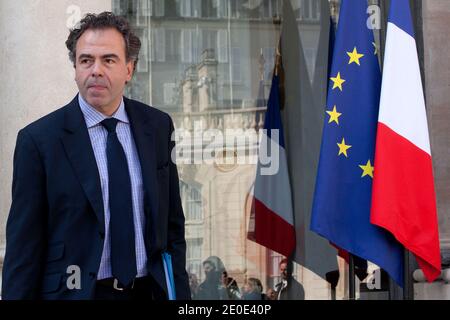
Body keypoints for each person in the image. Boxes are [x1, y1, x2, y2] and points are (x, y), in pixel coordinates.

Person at [1, 12, 190, 300]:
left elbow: (172, 228)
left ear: (129, 68)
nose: (96, 70)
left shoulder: (158, 127)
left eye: (109, 60)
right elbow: (24, 248)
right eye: (86, 60)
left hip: (148, 292)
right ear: (75, 68)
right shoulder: (38, 141)